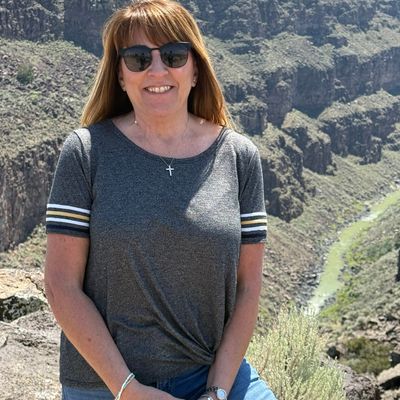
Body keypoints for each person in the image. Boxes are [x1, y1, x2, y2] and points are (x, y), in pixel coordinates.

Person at [44, 0, 277, 399]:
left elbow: (248, 287)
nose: (157, 70)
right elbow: (61, 285)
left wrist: (217, 390)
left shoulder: (239, 157)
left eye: (173, 55)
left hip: (211, 374)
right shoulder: (86, 153)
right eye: (138, 58)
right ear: (120, 75)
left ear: (195, 69)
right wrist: (129, 390)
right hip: (106, 383)